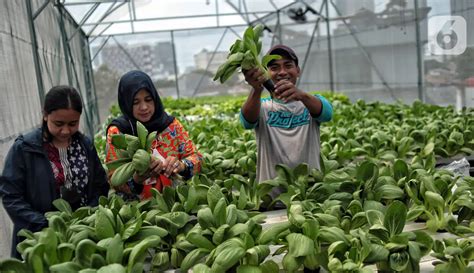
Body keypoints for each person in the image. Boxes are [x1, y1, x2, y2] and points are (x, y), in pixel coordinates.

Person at [0, 86, 109, 258]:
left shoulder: (85, 146)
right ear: (45, 115)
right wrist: (44, 223)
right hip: (39, 240)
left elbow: (100, 186)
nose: (65, 131)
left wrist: (87, 217)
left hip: (83, 236)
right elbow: (11, 195)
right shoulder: (25, 149)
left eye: (73, 124)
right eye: (58, 124)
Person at [240, 44, 333, 198]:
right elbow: (246, 121)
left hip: (310, 194)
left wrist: (301, 95)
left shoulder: (310, 103)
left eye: (288, 65)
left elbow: (327, 114)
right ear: (267, 73)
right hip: (271, 198)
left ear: (298, 70)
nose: (282, 72)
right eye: (274, 67)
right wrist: (256, 89)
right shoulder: (262, 107)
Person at [105, 70, 202, 200]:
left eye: (148, 99)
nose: (144, 107)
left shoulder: (171, 125)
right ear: (126, 103)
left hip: (176, 202)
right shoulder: (118, 133)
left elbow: (197, 158)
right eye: (136, 102)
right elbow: (113, 178)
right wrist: (137, 179)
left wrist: (181, 165)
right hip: (137, 211)